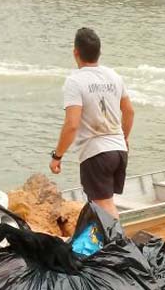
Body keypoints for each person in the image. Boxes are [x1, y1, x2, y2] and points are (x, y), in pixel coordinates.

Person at [50, 27, 134, 219]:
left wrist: (57, 156)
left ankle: (117, 246)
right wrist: (125, 137)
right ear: (99, 53)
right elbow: (129, 111)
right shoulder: (114, 76)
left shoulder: (75, 81)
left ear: (75, 52)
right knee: (105, 203)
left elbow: (72, 124)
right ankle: (109, 245)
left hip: (96, 153)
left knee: (103, 206)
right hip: (119, 150)